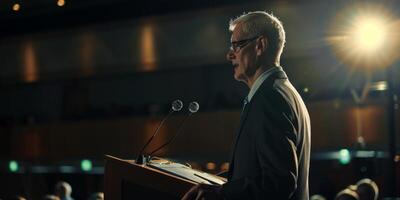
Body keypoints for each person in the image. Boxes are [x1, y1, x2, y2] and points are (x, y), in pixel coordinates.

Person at [182, 11, 311, 200]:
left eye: (237, 45)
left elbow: (278, 182)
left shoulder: (270, 97)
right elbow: (256, 174)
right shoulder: (283, 92)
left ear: (260, 45)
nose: (229, 55)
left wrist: (221, 192)